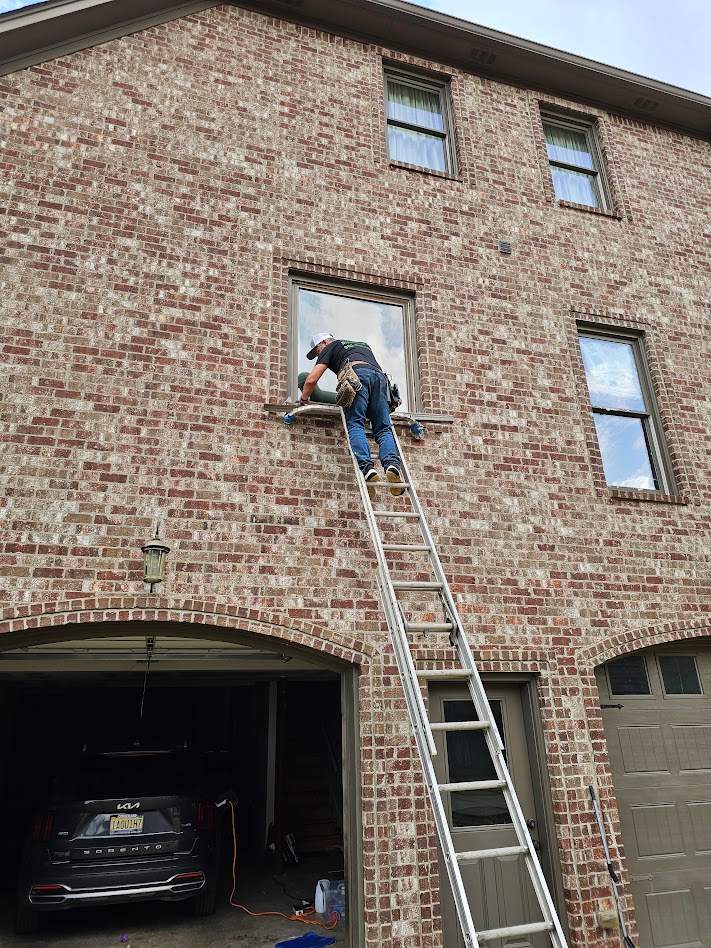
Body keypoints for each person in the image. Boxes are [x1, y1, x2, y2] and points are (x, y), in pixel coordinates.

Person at [299, 332, 405, 497]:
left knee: (355, 423)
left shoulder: (331, 347)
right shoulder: (363, 345)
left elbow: (312, 379)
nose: (318, 355)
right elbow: (370, 371)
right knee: (384, 428)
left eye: (317, 351)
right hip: (380, 380)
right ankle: (392, 465)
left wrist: (304, 399)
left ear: (324, 342)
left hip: (357, 376)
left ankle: (367, 469)